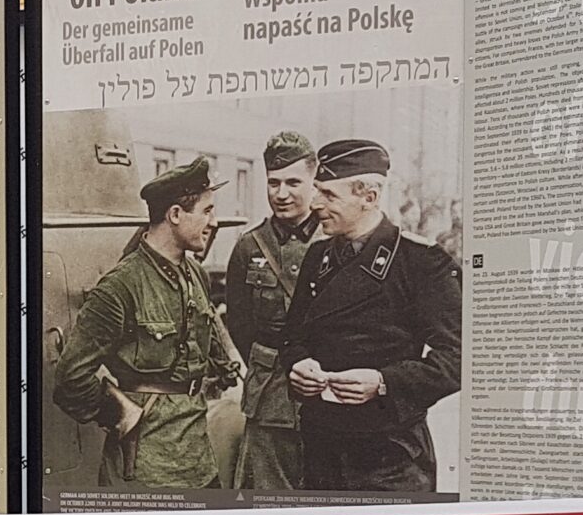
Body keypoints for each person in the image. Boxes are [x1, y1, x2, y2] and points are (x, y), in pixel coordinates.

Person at [273, 139, 461, 493]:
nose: (315, 204)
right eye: (317, 191)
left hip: (390, 457)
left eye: (328, 195)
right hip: (320, 447)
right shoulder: (318, 256)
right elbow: (292, 336)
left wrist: (384, 381)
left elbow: (459, 358)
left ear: (369, 197)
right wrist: (297, 363)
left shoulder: (421, 261)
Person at [49, 158, 240, 488]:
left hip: (199, 462)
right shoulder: (120, 287)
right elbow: (70, 379)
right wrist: (121, 414)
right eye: (207, 211)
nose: (214, 221)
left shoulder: (195, 275)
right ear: (175, 214)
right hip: (145, 471)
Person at [220, 132, 323, 491]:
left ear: (314, 182)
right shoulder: (249, 247)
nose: (281, 194)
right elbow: (240, 325)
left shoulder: (332, 241)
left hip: (324, 392)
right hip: (269, 399)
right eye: (273, 183)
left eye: (293, 183)